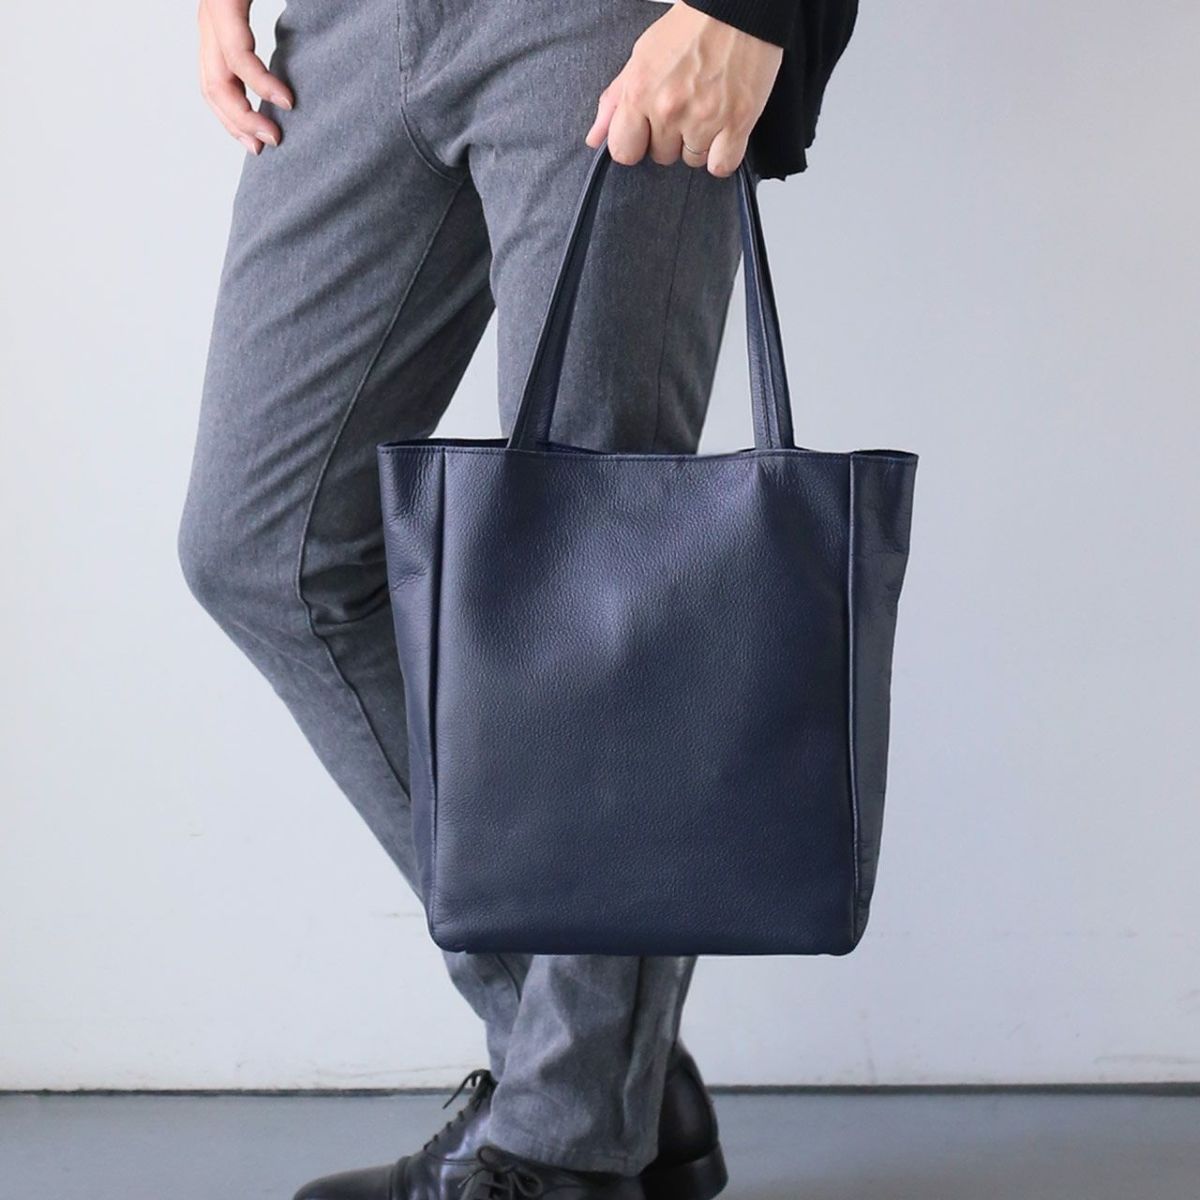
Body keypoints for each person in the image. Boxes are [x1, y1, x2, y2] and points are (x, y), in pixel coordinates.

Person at [179, 2, 858, 1198]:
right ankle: (600, 1077)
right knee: (263, 550)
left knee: (602, 588)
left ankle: (565, 1142)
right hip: (350, 31)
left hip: (606, 27)